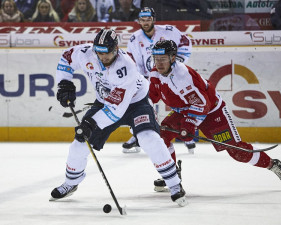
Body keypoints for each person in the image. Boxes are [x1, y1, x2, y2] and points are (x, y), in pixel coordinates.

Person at [50, 28, 187, 207]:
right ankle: (70, 182)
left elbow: (116, 110)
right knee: (80, 142)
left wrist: (91, 123)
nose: (102, 57)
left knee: (149, 139)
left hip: (136, 104)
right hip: (104, 102)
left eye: (107, 53)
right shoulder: (86, 53)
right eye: (99, 53)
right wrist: (64, 82)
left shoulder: (127, 67)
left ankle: (175, 185)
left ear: (116, 49)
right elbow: (66, 58)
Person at [149, 40, 281, 192]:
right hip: (184, 110)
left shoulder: (182, 78)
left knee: (237, 152)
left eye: (163, 59)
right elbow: (151, 95)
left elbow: (202, 104)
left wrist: (189, 124)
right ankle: (172, 176)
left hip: (212, 112)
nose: (158, 63)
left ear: (172, 58)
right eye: (156, 59)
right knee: (161, 136)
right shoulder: (155, 72)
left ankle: (271, 164)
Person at [122, 7, 196, 154]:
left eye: (148, 19)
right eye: (142, 20)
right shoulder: (134, 38)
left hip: (172, 75)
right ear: (139, 21)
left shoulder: (169, 31)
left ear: (153, 19)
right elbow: (132, 62)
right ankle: (138, 135)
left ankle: (187, 136)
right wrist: (142, 79)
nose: (145, 22)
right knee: (144, 106)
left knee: (179, 104)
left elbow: (186, 43)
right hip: (150, 78)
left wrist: (176, 64)